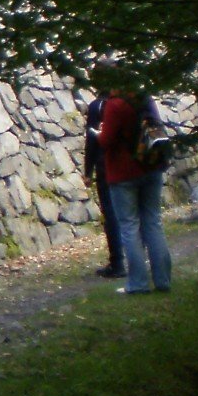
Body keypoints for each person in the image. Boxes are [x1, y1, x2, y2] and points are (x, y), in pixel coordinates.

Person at [98, 73, 173, 293]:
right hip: (150, 167)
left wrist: (97, 134)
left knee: (129, 226)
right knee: (153, 222)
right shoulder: (144, 98)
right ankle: (163, 280)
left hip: (123, 174)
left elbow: (106, 140)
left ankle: (138, 283)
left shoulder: (115, 105)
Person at [82, 71, 126, 279]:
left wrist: (87, 170)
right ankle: (133, 257)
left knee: (111, 213)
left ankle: (117, 262)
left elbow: (92, 140)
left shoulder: (97, 106)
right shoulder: (126, 103)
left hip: (105, 164)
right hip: (128, 164)